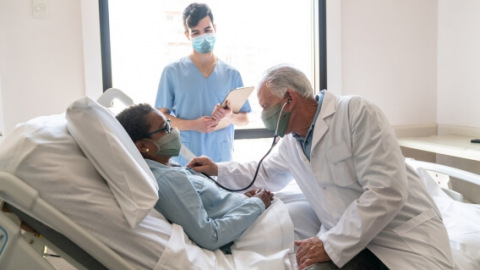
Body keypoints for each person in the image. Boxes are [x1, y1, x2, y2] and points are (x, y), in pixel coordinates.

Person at [187, 64, 454, 269]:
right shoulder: (292, 143)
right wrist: (216, 169)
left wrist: (330, 244)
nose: (265, 116)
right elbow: (263, 172)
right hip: (352, 241)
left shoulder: (356, 113)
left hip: (402, 240)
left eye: (267, 107)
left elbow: (386, 191)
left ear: (289, 100)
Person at [116, 103, 273, 253]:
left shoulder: (167, 168)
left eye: (169, 124)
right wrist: (257, 204)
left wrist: (240, 200)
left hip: (248, 216)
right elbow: (211, 236)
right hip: (252, 230)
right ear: (143, 146)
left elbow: (211, 207)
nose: (174, 130)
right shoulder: (167, 179)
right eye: (165, 128)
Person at [155, 2, 250, 166]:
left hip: (221, 160)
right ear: (187, 35)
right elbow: (160, 118)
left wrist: (230, 116)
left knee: (222, 192)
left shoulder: (231, 74)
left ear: (215, 28)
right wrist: (194, 125)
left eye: (207, 30)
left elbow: (245, 119)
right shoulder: (172, 72)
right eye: (196, 33)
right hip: (185, 159)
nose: (203, 37)